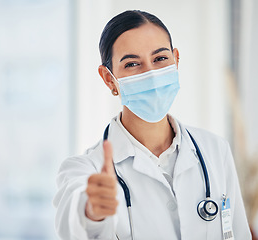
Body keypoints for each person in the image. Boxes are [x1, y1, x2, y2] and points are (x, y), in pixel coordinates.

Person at [53, 10, 251, 240]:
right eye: (132, 64)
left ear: (176, 60)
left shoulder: (215, 150)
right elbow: (73, 224)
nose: (151, 74)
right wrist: (91, 212)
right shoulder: (86, 170)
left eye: (160, 59)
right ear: (109, 79)